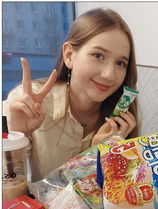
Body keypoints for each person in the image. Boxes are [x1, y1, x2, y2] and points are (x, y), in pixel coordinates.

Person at [3, 8, 139, 182]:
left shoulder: (123, 120)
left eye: (120, 63)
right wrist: (17, 135)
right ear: (69, 55)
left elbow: (122, 198)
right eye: (98, 55)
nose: (109, 75)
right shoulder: (28, 103)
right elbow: (9, 196)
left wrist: (102, 154)